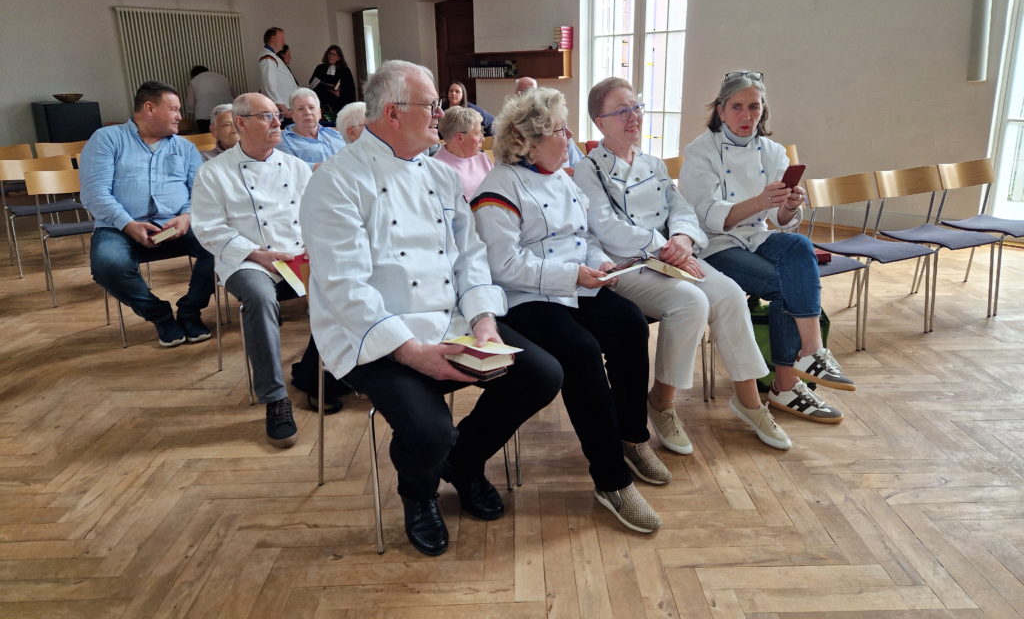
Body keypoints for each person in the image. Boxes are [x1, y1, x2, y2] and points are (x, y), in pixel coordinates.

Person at [299, 60, 562, 557]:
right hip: (373, 337)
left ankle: (463, 462)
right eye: (432, 105)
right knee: (428, 430)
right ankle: (418, 494)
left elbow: (469, 258)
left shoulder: (439, 176)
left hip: (448, 320)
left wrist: (483, 320)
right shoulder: (336, 181)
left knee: (541, 375)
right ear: (393, 113)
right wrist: (412, 352)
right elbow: (344, 287)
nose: (442, 113)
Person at [471, 87, 665, 534]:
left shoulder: (561, 176)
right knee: (580, 352)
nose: (570, 136)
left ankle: (632, 437)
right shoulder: (499, 186)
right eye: (560, 129)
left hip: (575, 286)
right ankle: (611, 481)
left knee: (630, 324)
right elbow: (503, 265)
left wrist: (600, 264)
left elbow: (586, 237)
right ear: (529, 141)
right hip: (525, 298)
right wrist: (574, 274)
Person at [574, 77, 789, 452]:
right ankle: (662, 403)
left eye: (636, 107)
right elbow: (605, 226)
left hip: (672, 256)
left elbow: (682, 210)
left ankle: (750, 402)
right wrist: (663, 247)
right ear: (599, 122)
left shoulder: (653, 164)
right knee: (691, 302)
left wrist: (683, 240)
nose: (633, 117)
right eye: (622, 111)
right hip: (626, 266)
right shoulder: (588, 170)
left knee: (730, 295)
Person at [680, 70, 854, 423]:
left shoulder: (773, 152)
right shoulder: (700, 151)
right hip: (716, 244)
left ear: (763, 110)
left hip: (756, 236)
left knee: (798, 245)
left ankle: (811, 352)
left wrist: (788, 205)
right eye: (737, 107)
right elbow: (708, 216)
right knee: (786, 285)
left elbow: (780, 220)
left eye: (754, 107)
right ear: (721, 110)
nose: (747, 116)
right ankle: (788, 382)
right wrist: (761, 201)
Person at [192, 93, 329, 447]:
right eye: (266, 116)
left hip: (296, 253)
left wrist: (313, 250)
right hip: (246, 259)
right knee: (260, 297)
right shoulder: (213, 173)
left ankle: (317, 375)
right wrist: (258, 254)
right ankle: (275, 398)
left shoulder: (295, 167)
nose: (277, 122)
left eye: (276, 116)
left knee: (339, 285)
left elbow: (314, 216)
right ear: (240, 123)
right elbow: (208, 229)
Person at [80, 80, 215, 347]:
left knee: (223, 248)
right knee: (108, 265)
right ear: (149, 108)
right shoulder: (107, 139)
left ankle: (190, 311)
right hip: (119, 228)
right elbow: (95, 193)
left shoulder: (185, 148)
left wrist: (187, 216)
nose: (180, 116)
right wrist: (128, 224)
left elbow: (200, 193)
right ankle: (160, 316)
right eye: (174, 109)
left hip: (176, 225)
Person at [433, 106, 493, 201]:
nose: (483, 138)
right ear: (460, 137)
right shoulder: (436, 169)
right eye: (478, 133)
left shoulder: (483, 158)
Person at [278, 88, 346, 168]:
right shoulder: (282, 140)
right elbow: (291, 168)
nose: (307, 112)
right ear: (292, 115)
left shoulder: (335, 134)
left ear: (319, 113)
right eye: (301, 109)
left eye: (311, 107)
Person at [309, 45, 356, 124]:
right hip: (322, 102)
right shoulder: (320, 68)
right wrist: (327, 87)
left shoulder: (345, 70)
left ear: (339, 57)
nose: (331, 56)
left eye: (334, 54)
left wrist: (339, 93)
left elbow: (350, 89)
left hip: (338, 103)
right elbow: (312, 83)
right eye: (330, 53)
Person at [258, 27, 298, 118]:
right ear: (273, 38)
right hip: (281, 109)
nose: (284, 42)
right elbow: (269, 86)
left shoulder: (273, 57)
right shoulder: (268, 57)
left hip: (286, 106)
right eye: (282, 39)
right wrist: (284, 109)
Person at [185, 65, 234, 133]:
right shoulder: (222, 77)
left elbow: (191, 103)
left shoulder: (194, 80)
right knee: (228, 135)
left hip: (204, 116)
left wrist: (192, 116)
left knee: (207, 137)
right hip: (227, 112)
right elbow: (234, 95)